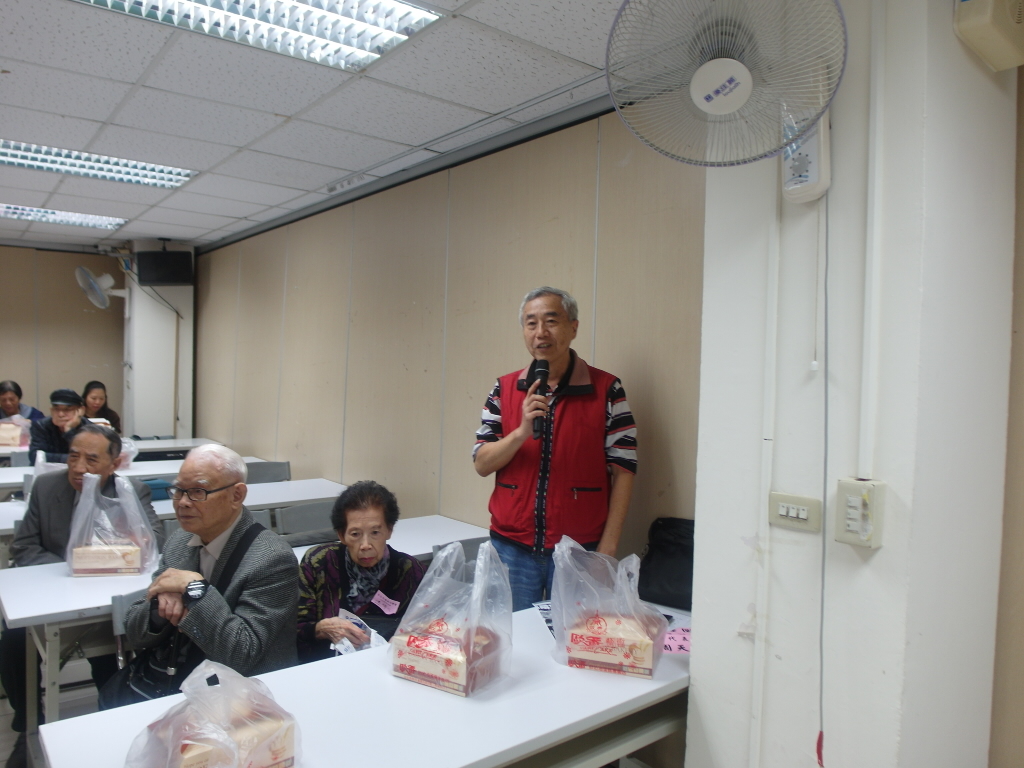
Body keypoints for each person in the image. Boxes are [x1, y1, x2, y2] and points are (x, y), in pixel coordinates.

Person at [0, 423, 162, 768]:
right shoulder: (47, 487)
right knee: (13, 639)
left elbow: (154, 542)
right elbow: (24, 547)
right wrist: (75, 566)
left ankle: (112, 721)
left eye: (91, 459)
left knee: (113, 642)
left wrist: (119, 554)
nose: (78, 467)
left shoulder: (131, 491)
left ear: (114, 464)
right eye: (73, 456)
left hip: (106, 599)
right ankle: (28, 725)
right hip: (53, 592)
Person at [473, 287, 638, 611]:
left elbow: (625, 470)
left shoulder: (607, 389)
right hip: (511, 547)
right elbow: (482, 463)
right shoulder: (504, 388)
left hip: (580, 551)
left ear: (573, 327)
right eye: (531, 323)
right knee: (513, 635)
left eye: (551, 321)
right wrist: (521, 432)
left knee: (574, 636)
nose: (540, 332)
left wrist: (607, 549)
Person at [106, 445, 298, 707]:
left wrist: (195, 590)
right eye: (179, 490)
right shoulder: (179, 542)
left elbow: (242, 654)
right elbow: (136, 634)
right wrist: (158, 608)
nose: (183, 502)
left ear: (237, 495)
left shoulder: (272, 559)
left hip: (247, 699)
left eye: (198, 491)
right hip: (179, 683)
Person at [296, 481, 426, 664]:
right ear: (341, 535)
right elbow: (294, 629)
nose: (365, 545)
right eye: (355, 534)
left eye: (375, 532)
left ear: (389, 530)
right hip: (324, 667)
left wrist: (405, 641)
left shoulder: (411, 571)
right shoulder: (319, 563)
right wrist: (320, 629)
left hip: (386, 667)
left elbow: (428, 627)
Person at [28, 388, 87, 463]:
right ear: (51, 410)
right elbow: (35, 456)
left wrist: (69, 431)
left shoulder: (89, 428)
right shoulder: (41, 426)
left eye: (67, 409)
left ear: (81, 411)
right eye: (56, 409)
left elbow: (86, 457)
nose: (60, 414)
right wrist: (71, 459)